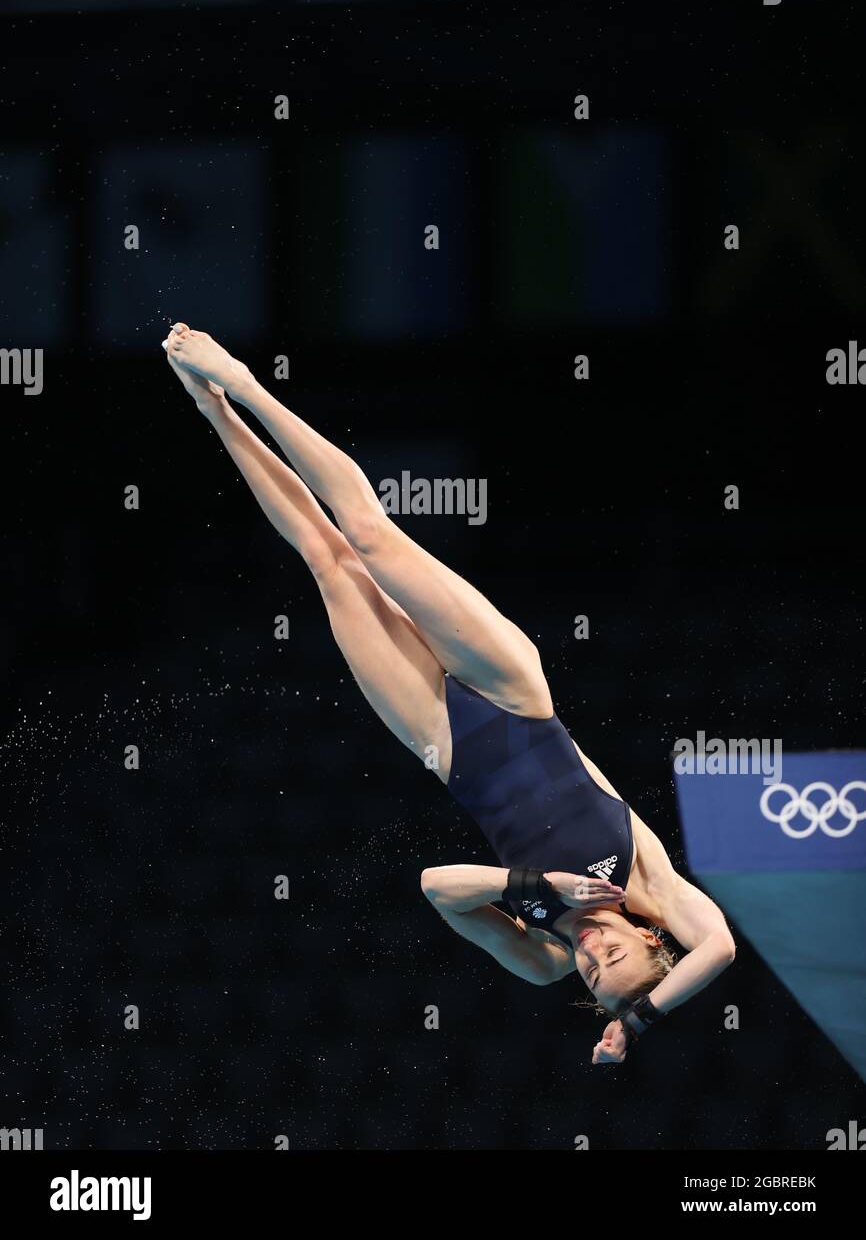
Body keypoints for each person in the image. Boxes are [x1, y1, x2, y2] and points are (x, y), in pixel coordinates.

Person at [163, 322, 736, 1064]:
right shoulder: (651, 886)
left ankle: (215, 412)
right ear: (649, 938)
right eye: (616, 957)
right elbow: (719, 947)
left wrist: (535, 884)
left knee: (328, 560)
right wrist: (638, 1021)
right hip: (516, 697)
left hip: (442, 739)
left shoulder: (545, 956)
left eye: (596, 975)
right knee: (368, 534)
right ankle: (241, 380)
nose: (595, 954)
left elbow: (439, 886)